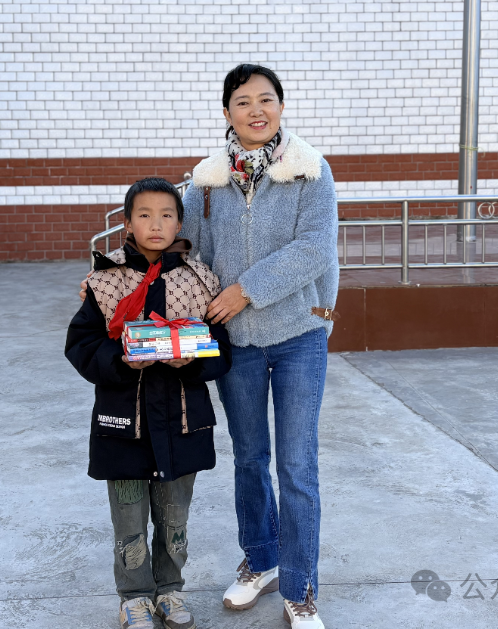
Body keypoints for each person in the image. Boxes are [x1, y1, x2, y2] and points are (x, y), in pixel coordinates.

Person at [180, 64, 339, 629]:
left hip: (299, 338)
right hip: (238, 345)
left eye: (266, 99)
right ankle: (262, 559)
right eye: (243, 101)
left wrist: (246, 290)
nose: (256, 110)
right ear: (227, 112)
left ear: (281, 107)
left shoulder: (311, 170)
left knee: (297, 467)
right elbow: (177, 248)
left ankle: (300, 587)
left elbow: (315, 248)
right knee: (250, 460)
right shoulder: (205, 182)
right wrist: (112, 276)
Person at [66, 177, 232, 629]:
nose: (155, 225)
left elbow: (221, 348)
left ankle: (170, 591)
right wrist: (120, 360)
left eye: (166, 215)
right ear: (127, 223)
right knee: (130, 520)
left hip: (182, 424)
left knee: (175, 518)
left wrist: (192, 362)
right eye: (144, 215)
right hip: (125, 425)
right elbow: (80, 345)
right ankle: (134, 597)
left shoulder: (200, 281)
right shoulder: (106, 281)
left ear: (180, 223)